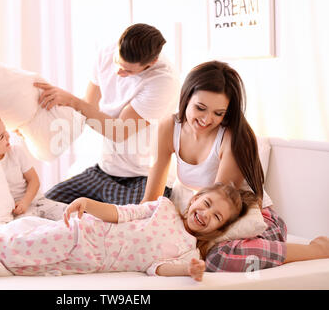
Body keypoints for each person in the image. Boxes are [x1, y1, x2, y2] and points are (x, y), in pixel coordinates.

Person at [140, 60, 329, 272]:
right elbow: (151, 199)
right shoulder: (170, 127)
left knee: (217, 258)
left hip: (252, 220)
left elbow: (220, 208)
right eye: (200, 108)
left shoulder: (230, 137)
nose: (206, 119)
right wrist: (141, 227)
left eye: (218, 113)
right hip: (213, 219)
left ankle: (317, 250)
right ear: (186, 98)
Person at [0, 183, 260, 281]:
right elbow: (121, 213)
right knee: (12, 245)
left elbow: (159, 269)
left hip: (86, 264)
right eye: (206, 204)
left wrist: (189, 270)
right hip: (81, 236)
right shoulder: (162, 208)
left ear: (219, 229)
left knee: (18, 264)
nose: (205, 214)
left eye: (215, 217)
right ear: (194, 198)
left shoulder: (189, 253)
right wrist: (88, 203)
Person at [33, 23, 180, 206]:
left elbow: (118, 132)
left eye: (128, 71)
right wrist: (35, 120)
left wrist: (72, 101)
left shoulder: (163, 81)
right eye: (118, 63)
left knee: (126, 225)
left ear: (151, 63)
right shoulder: (106, 52)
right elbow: (88, 107)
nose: (119, 72)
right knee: (44, 205)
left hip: (142, 177)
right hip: (104, 171)